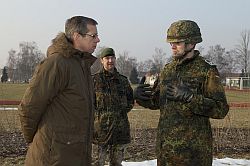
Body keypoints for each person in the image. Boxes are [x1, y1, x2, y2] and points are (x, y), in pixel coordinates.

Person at [134, 20, 229, 166]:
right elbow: (158, 102)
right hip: (166, 151)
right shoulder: (168, 69)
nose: (172, 46)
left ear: (191, 43)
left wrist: (190, 98)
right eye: (170, 42)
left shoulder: (206, 70)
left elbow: (221, 109)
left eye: (177, 42)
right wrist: (142, 97)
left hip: (192, 155)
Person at [18, 16, 100, 166]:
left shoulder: (83, 66)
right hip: (53, 157)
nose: (98, 40)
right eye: (93, 36)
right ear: (76, 36)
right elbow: (29, 107)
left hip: (74, 154)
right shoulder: (56, 64)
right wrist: (36, 139)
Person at [92, 48, 134, 166]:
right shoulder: (94, 80)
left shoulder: (123, 81)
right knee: (97, 163)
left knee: (116, 163)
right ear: (102, 60)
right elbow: (89, 104)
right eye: (107, 58)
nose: (110, 61)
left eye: (112, 58)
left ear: (115, 59)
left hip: (119, 130)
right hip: (100, 132)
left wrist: (119, 113)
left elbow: (130, 101)